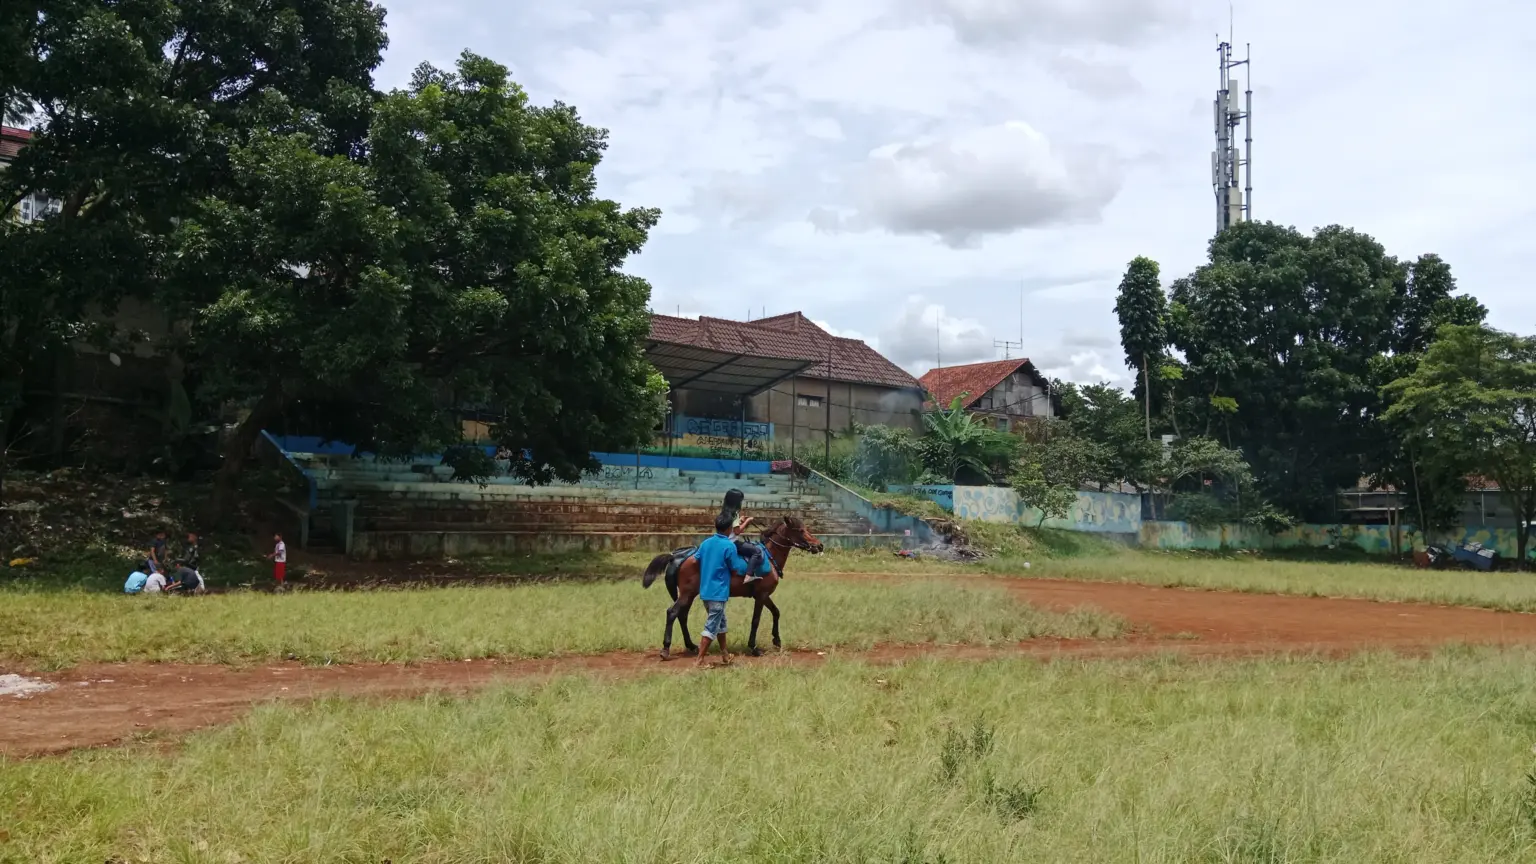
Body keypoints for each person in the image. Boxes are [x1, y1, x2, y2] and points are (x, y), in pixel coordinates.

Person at [692, 511, 748, 667]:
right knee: (711, 626)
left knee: (721, 623)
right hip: (719, 592)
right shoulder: (729, 546)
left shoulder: (705, 543)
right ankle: (700, 660)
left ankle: (724, 654)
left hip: (705, 592)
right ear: (729, 528)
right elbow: (736, 568)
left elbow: (695, 560)